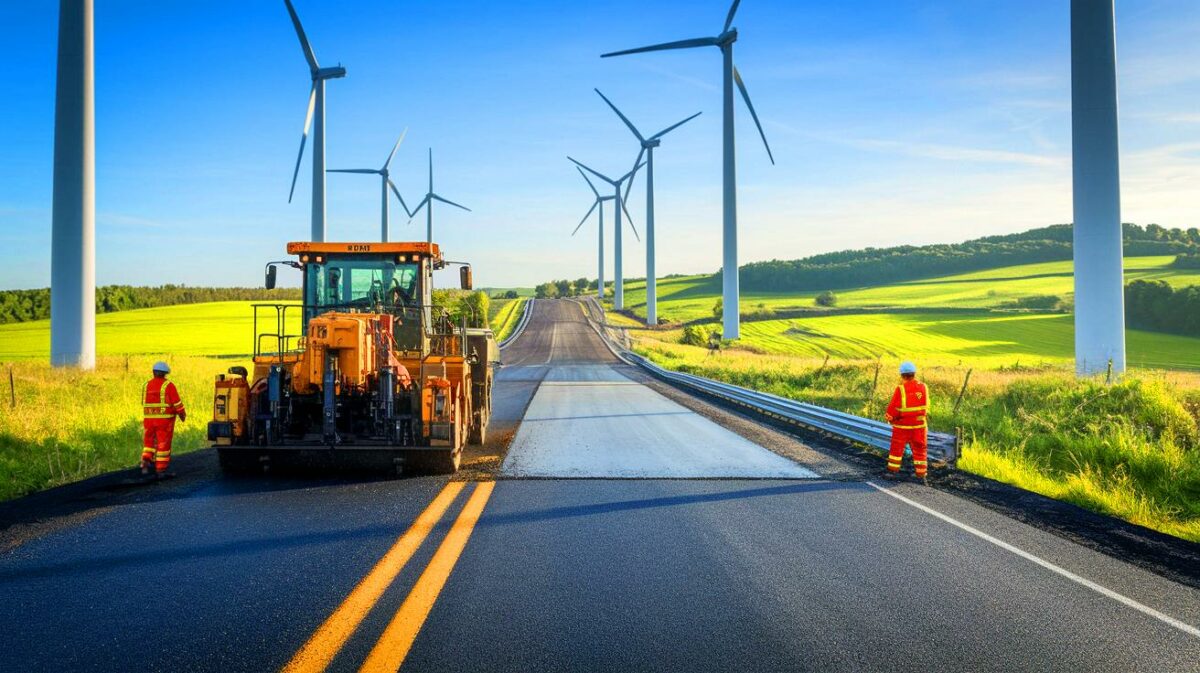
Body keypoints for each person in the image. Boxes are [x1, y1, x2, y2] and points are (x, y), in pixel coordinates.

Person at [884, 361, 929, 483]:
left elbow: (893, 408)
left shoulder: (901, 389)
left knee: (896, 449)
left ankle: (892, 472)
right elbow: (926, 407)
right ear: (914, 373)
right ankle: (921, 475)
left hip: (902, 426)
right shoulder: (923, 387)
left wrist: (890, 418)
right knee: (920, 449)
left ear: (902, 375)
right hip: (919, 426)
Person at [141, 361, 186, 479]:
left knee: (148, 443)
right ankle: (160, 470)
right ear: (165, 374)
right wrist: (182, 415)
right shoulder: (168, 385)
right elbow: (177, 403)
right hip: (164, 422)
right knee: (162, 445)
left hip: (148, 421)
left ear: (153, 372)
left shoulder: (146, 385)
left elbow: (144, 403)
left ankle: (145, 465)